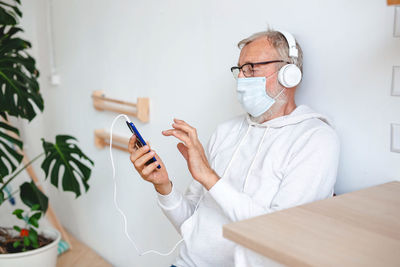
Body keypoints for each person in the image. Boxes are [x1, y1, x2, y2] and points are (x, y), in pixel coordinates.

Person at [128, 29, 340, 267]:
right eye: (239, 69)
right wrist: (163, 186)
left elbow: (278, 235)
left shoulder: (315, 139)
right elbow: (191, 229)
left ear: (289, 74)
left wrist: (209, 177)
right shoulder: (226, 132)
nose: (241, 78)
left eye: (251, 68)